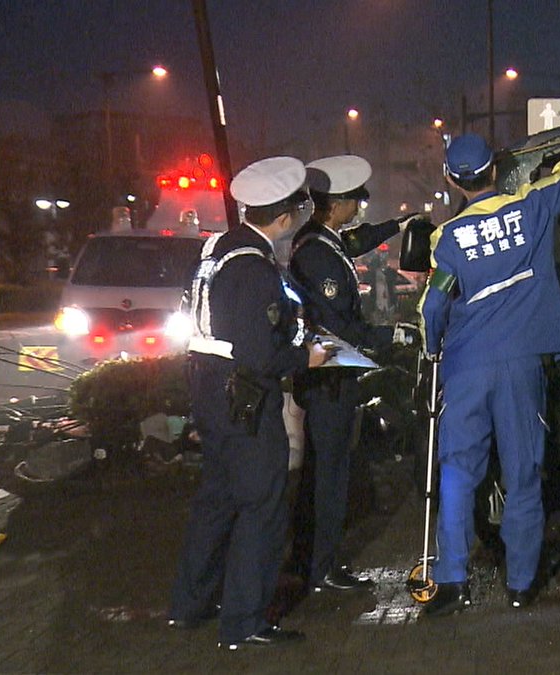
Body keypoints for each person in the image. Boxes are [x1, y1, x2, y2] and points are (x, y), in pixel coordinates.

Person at [418, 105, 560, 616]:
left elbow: (433, 306)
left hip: (466, 368)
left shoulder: (446, 240)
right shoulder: (532, 209)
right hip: (521, 366)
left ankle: (450, 580)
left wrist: (432, 349)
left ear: (452, 180)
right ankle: (520, 584)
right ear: (495, 170)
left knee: (455, 471)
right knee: (523, 471)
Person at [168, 156, 334, 650]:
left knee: (217, 499)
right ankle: (245, 622)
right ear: (283, 218)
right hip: (240, 395)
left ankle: (189, 604)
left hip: (206, 386)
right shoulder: (254, 267)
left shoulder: (216, 248)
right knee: (263, 505)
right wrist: (308, 356)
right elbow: (260, 353)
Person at [286, 154, 426, 592]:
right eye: (354, 203)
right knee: (328, 475)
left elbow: (357, 241)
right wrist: (392, 337)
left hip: (331, 376)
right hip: (329, 378)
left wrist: (400, 225)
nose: (359, 210)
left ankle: (317, 560)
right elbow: (338, 323)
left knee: (328, 471)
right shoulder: (318, 254)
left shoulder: (320, 240)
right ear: (337, 204)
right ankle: (320, 566)